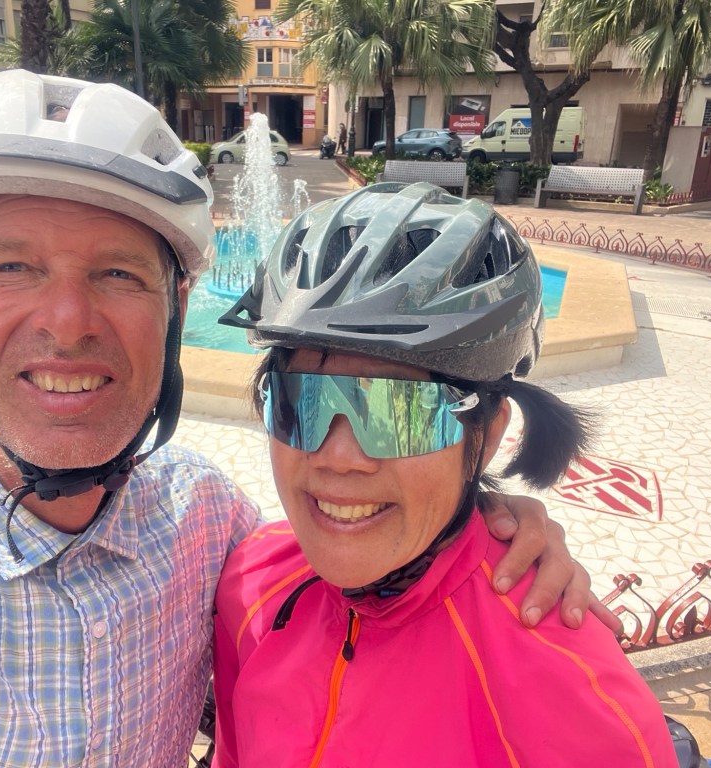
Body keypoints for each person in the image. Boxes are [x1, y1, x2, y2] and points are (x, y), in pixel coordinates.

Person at [0, 71, 593, 765]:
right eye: (11, 266)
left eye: (117, 273)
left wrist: (477, 525)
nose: (68, 323)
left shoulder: (207, 528)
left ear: (177, 311)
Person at [212, 182, 679, 766]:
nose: (339, 457)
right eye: (299, 403)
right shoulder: (249, 583)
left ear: (486, 436)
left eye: (401, 413)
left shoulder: (580, 705)